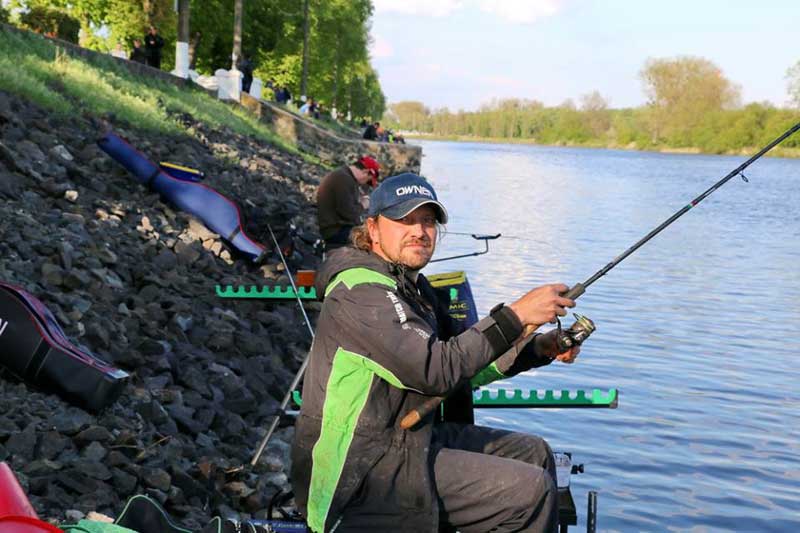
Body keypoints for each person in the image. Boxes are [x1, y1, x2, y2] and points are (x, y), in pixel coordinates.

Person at [292, 172, 583, 532]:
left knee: (535, 453)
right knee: (529, 491)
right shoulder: (361, 290)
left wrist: (538, 347)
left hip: (405, 440)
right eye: (404, 220)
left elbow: (465, 362)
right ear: (373, 228)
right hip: (358, 470)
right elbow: (434, 369)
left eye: (428, 221)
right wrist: (517, 314)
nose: (419, 230)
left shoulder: (414, 287)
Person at [315, 156, 381, 251]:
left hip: (335, 227)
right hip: (335, 231)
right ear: (366, 172)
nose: (365, 183)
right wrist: (363, 204)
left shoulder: (344, 176)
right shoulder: (343, 179)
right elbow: (348, 213)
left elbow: (344, 205)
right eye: (368, 180)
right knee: (374, 241)